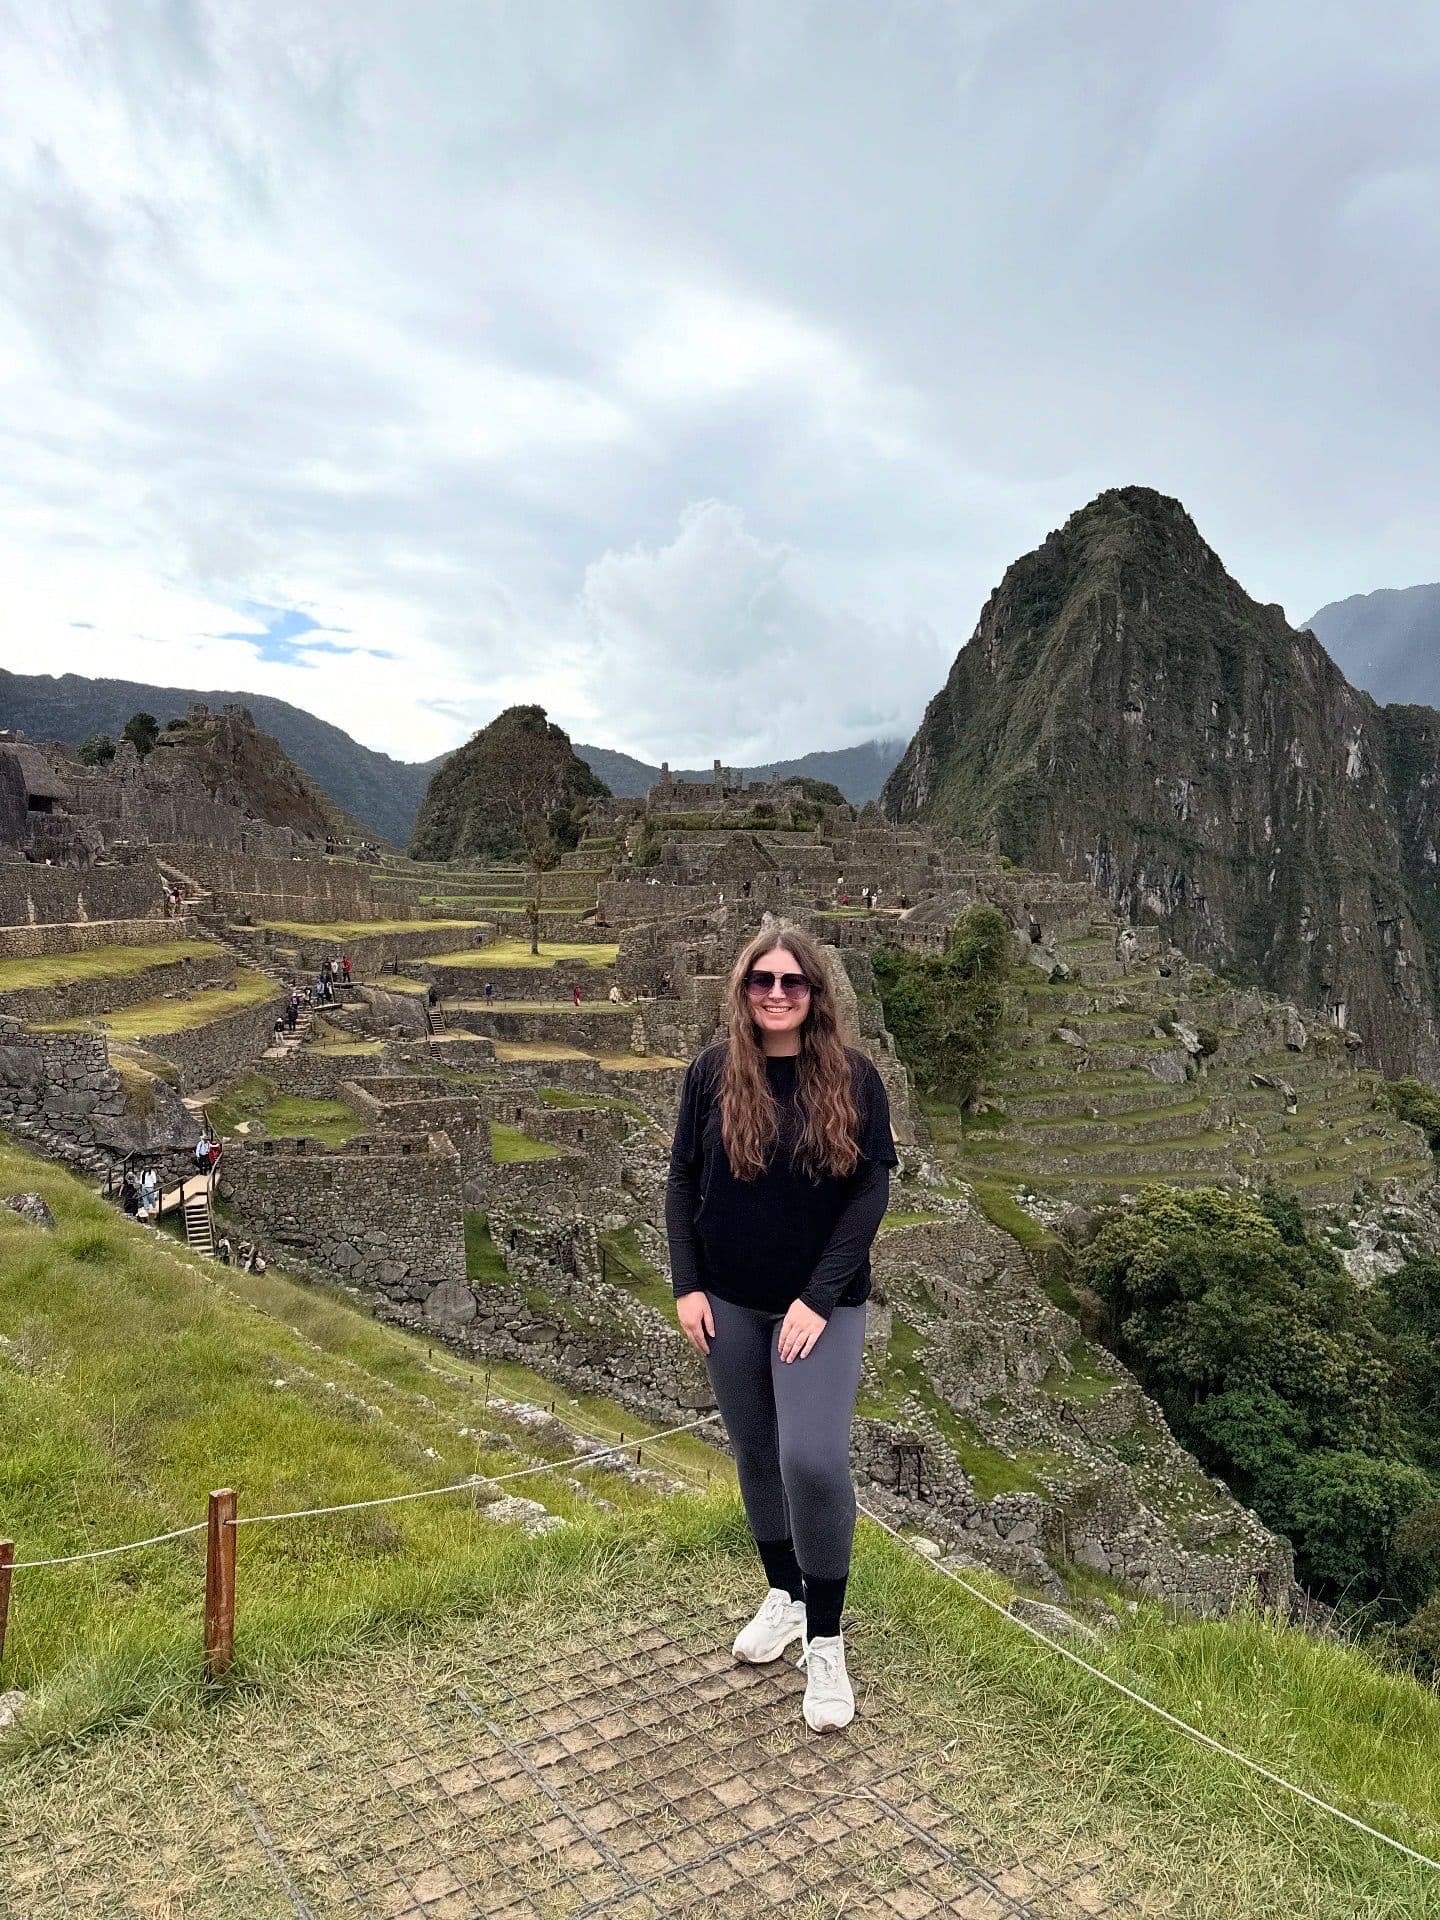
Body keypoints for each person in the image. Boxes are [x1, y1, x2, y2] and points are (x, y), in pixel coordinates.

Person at [666, 924, 896, 1734]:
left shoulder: (854, 1079)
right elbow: (683, 1178)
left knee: (813, 1459)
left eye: (792, 982)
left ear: (815, 993)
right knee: (757, 1454)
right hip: (728, 1300)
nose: (775, 993)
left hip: (817, 1306)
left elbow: (871, 1192)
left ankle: (827, 1643)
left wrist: (818, 1297)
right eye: (761, 980)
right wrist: (687, 1284)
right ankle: (785, 1596)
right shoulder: (711, 1074)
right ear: (741, 989)